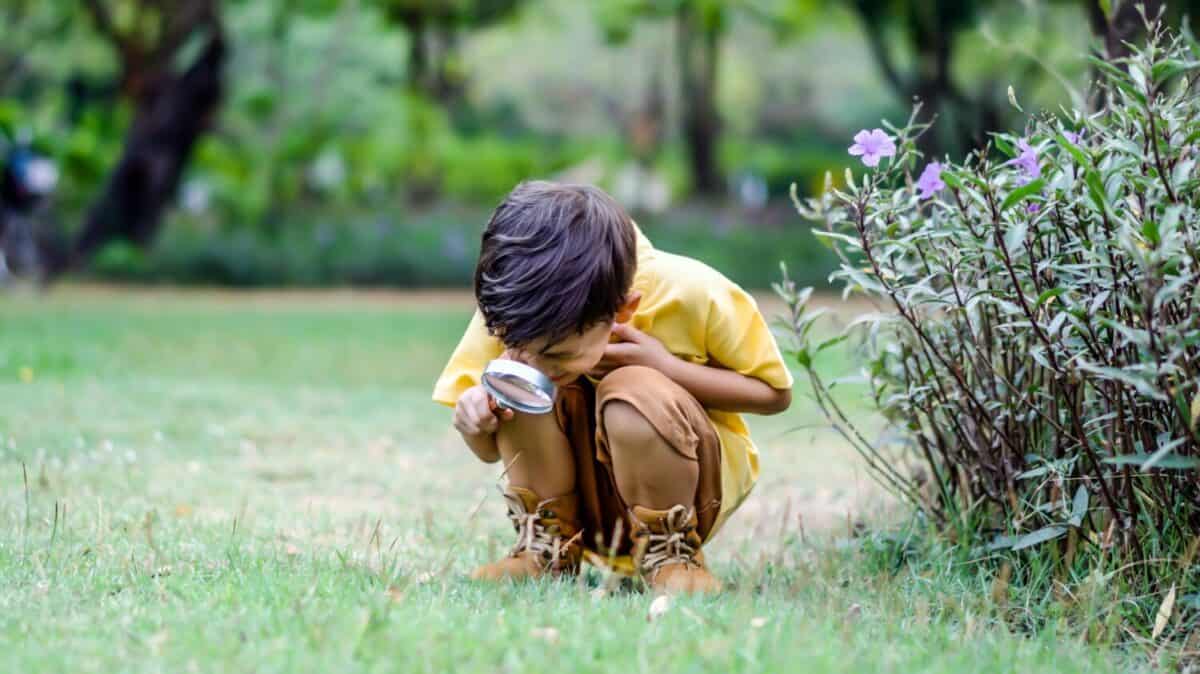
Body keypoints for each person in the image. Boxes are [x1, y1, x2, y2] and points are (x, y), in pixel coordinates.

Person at [432, 181, 793, 594]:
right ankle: (548, 549)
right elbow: (490, 447)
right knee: (519, 383)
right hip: (581, 500)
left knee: (631, 389)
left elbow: (774, 394)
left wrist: (667, 367)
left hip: (686, 493)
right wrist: (476, 423)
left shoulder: (691, 292)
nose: (539, 365)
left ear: (623, 310)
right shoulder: (519, 306)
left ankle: (672, 555)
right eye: (519, 346)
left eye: (557, 355)